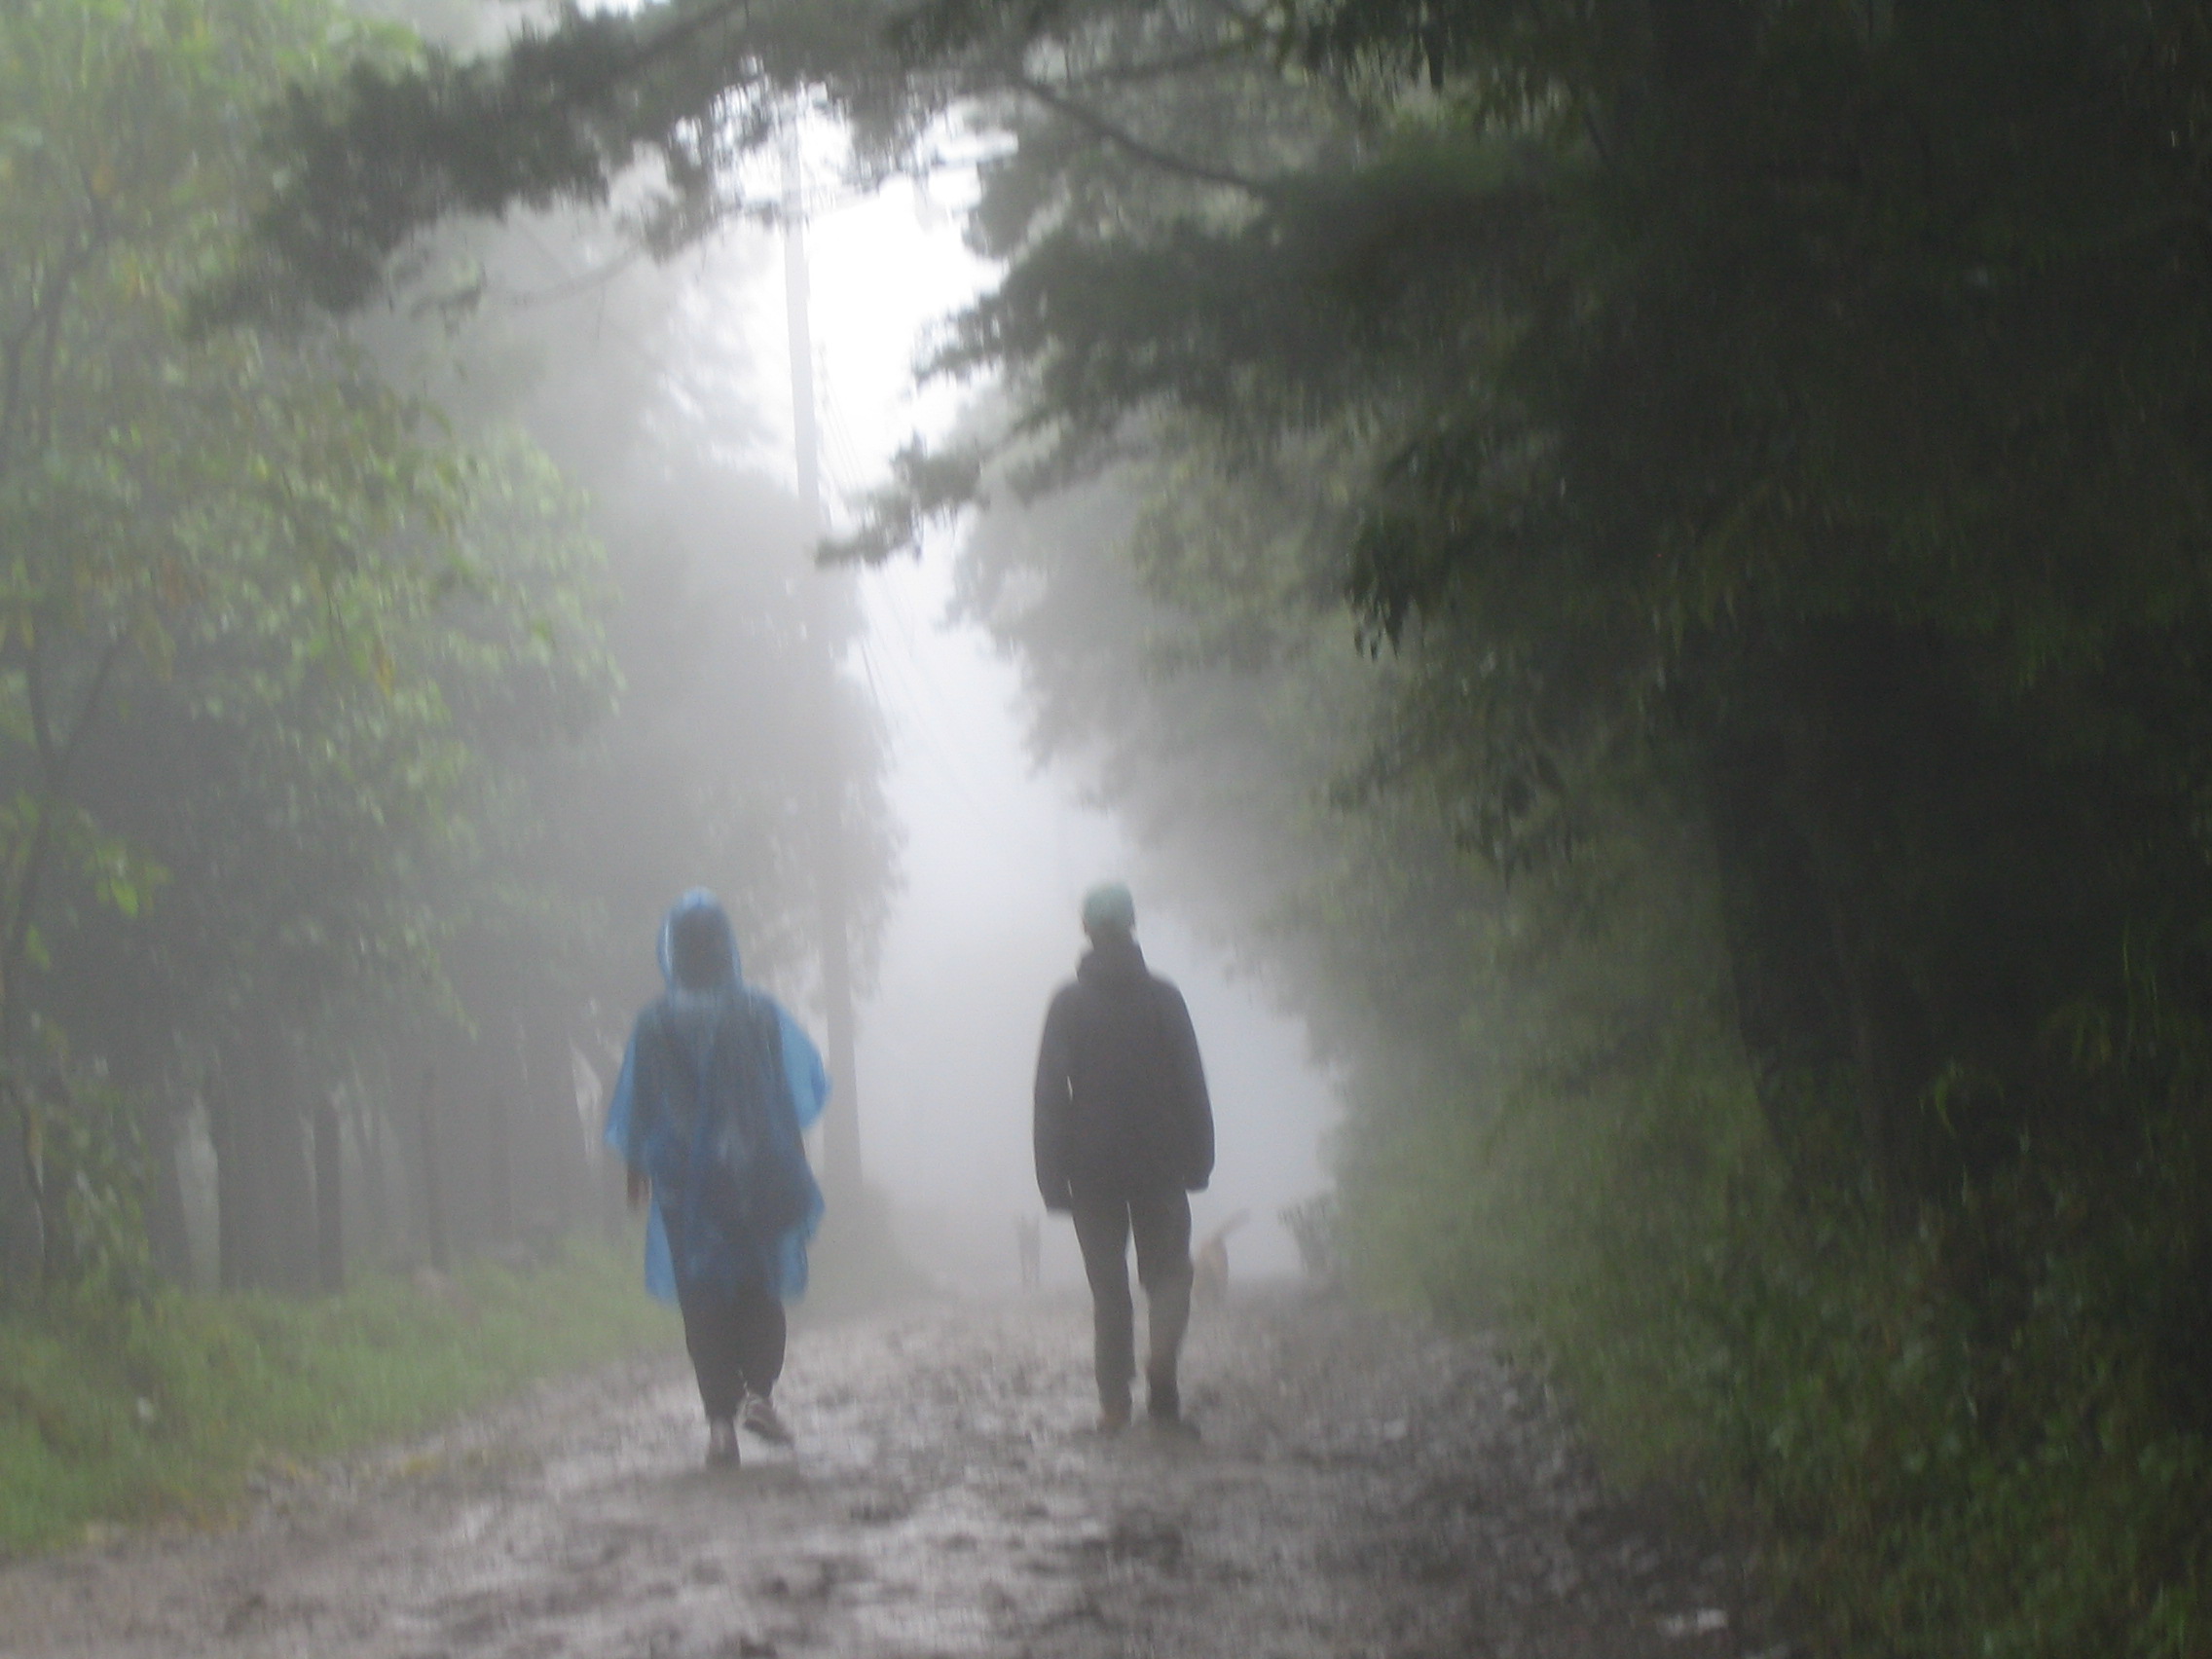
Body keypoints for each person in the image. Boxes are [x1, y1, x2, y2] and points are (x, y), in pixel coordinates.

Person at [606, 889, 828, 1468]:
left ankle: (719, 1427)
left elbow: (641, 1104)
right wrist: (793, 1159)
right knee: (761, 1287)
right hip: (754, 1175)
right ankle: (759, 1392)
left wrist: (636, 1170)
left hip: (684, 1187)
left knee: (703, 1301)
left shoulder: (655, 1022)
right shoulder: (756, 1012)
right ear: (726, 945)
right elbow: (782, 1098)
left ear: (673, 950)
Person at [1033, 881, 1214, 1433]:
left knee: (1109, 1290)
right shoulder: (1164, 998)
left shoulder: (1068, 1004)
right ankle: (1162, 1362)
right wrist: (1199, 1158)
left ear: (1087, 929)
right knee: (1168, 1274)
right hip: (1159, 1164)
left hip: (1090, 1170)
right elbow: (1191, 1082)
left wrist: (1051, 1179)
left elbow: (1049, 1095)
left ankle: (1114, 1404)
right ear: (1133, 926)